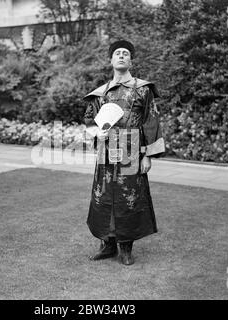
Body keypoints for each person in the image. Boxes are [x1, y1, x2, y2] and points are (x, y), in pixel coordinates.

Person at [83, 40, 165, 266]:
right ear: (111, 60)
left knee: (129, 198)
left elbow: (151, 121)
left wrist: (147, 154)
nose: (121, 56)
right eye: (117, 53)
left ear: (130, 60)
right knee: (104, 196)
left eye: (125, 53)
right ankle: (107, 245)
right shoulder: (101, 93)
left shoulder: (143, 89)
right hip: (106, 151)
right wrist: (96, 133)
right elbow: (90, 120)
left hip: (132, 149)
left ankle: (125, 247)